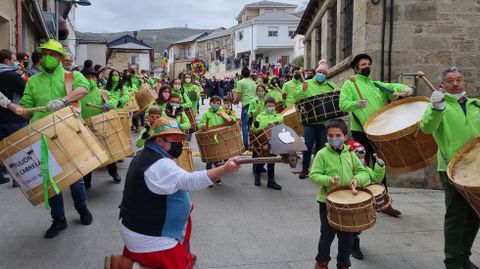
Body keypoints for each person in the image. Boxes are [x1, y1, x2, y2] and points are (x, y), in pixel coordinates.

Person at [105, 116, 240, 269]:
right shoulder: (160, 164)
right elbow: (191, 181)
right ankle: (126, 266)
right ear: (159, 140)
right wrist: (224, 169)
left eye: (180, 139)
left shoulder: (145, 154)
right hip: (149, 235)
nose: (179, 144)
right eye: (174, 140)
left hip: (138, 227)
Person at [1, 40, 92, 238]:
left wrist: (63, 100)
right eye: (45, 54)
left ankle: (81, 207)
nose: (48, 57)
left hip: (69, 133)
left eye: (53, 54)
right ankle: (58, 219)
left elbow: (83, 89)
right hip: (41, 137)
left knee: (76, 179)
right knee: (51, 183)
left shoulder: (71, 76)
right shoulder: (32, 81)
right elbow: (25, 110)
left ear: (60, 57)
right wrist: (10, 105)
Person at [339, 53, 413, 217]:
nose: (367, 67)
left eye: (368, 64)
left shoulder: (376, 85)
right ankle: (362, 199)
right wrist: (356, 104)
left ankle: (383, 201)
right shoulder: (350, 84)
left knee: (380, 166)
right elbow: (342, 104)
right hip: (361, 131)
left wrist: (405, 90)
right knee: (362, 167)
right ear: (356, 68)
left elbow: (394, 87)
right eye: (363, 64)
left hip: (378, 131)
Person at [420, 66, 480, 269]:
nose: (455, 84)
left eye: (459, 80)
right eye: (450, 81)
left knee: (475, 216)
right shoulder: (438, 105)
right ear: (442, 85)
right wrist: (436, 109)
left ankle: (463, 256)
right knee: (455, 218)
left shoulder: (476, 105)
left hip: (477, 171)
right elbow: (427, 128)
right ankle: (452, 262)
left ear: (464, 83)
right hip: (451, 169)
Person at [309, 119, 369, 269]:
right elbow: (314, 175)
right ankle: (322, 262)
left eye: (338, 135)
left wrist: (356, 179)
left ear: (345, 136)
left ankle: (343, 264)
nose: (334, 138)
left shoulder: (350, 154)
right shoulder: (322, 154)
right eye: (330, 135)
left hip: (348, 202)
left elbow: (363, 172)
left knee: (347, 238)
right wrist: (328, 180)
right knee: (327, 235)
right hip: (327, 202)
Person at [79, 63, 122, 189]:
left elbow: (114, 99)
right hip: (83, 127)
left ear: (97, 79)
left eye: (93, 77)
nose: (90, 79)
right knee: (87, 157)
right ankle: (87, 181)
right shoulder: (77, 94)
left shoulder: (102, 92)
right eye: (87, 77)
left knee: (108, 151)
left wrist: (109, 104)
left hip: (100, 126)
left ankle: (113, 173)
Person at [295, 60, 338, 180]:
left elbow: (339, 96)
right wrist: (302, 89)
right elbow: (296, 98)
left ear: (326, 74)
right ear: (315, 72)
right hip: (309, 122)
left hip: (323, 123)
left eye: (324, 72)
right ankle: (304, 169)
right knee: (307, 146)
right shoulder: (307, 83)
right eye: (319, 71)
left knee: (321, 147)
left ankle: (317, 170)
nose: (321, 74)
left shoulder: (331, 86)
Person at [345, 140, 386, 260]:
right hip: (353, 201)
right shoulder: (348, 168)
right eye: (358, 153)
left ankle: (353, 240)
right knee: (354, 225)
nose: (361, 155)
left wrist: (380, 166)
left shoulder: (366, 168)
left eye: (363, 152)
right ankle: (353, 244)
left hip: (364, 201)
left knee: (360, 225)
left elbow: (376, 178)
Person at [0, 49, 27, 185]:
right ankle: (19, 179)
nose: (16, 62)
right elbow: (26, 91)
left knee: (2, 151)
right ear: (7, 61)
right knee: (19, 149)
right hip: (14, 118)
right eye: (14, 59)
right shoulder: (13, 76)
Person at [198, 96, 236, 186]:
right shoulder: (206, 114)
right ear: (210, 103)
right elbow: (200, 124)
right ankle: (207, 179)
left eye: (218, 104)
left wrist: (228, 118)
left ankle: (217, 178)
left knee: (219, 160)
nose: (216, 105)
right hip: (209, 139)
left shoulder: (222, 113)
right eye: (214, 103)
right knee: (209, 161)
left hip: (220, 139)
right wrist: (203, 125)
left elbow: (232, 120)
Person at [251, 97, 283, 190]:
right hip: (262, 142)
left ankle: (271, 181)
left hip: (274, 142)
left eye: (272, 106)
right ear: (264, 107)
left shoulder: (278, 116)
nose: (270, 108)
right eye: (268, 106)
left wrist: (278, 122)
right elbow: (255, 129)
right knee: (261, 160)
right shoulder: (260, 116)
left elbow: (281, 122)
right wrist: (255, 125)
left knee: (272, 161)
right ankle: (257, 176)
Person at [234, 67, 257, 149]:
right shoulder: (253, 82)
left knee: (245, 124)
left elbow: (239, 97)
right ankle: (253, 142)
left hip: (246, 104)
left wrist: (235, 101)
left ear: (242, 73)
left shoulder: (240, 82)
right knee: (252, 124)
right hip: (254, 104)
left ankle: (245, 144)